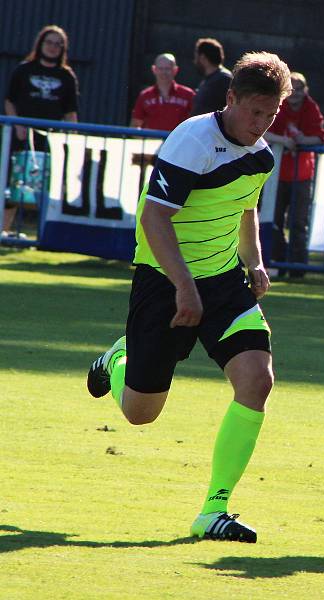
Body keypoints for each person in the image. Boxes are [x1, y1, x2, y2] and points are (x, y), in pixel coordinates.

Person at [86, 51, 292, 543]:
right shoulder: (192, 141)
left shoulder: (261, 154)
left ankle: (213, 510)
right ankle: (119, 358)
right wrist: (183, 287)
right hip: (164, 278)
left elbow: (245, 210)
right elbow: (155, 218)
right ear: (231, 99)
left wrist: (254, 261)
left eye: (272, 114)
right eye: (254, 112)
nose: (261, 124)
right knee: (141, 413)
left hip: (223, 282)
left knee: (257, 381)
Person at [3, 24, 78, 234]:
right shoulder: (23, 70)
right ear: (41, 43)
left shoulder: (66, 76)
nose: (53, 47)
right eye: (49, 42)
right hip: (22, 137)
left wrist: (70, 140)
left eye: (58, 44)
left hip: (51, 141)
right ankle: (4, 231)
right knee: (15, 183)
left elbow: (71, 112)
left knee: (50, 186)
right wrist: (17, 124)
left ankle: (45, 235)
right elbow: (9, 101)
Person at [264, 72, 324, 278]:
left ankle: (298, 268)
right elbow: (263, 131)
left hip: (302, 175)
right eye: (293, 89)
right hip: (277, 175)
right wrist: (284, 141)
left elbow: (318, 138)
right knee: (275, 221)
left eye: (300, 89)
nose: (296, 94)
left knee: (299, 223)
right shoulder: (277, 105)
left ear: (305, 90)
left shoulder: (311, 107)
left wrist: (300, 140)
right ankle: (278, 264)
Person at [130, 53, 195, 131]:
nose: (164, 72)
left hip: (178, 142)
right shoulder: (145, 96)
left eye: (168, 69)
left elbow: (196, 124)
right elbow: (135, 127)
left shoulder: (188, 95)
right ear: (154, 69)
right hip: (151, 142)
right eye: (160, 68)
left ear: (175, 70)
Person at [191, 38, 232, 116]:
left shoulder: (224, 79)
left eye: (196, 57)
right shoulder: (208, 80)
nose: (195, 61)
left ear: (203, 57)